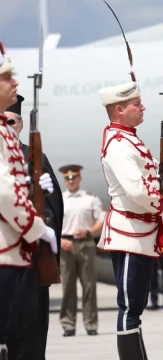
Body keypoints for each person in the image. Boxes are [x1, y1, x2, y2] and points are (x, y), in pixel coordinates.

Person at [98, 80, 163, 359]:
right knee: (129, 307)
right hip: (129, 233)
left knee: (136, 306)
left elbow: (142, 182)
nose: (142, 107)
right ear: (119, 110)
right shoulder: (118, 143)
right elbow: (135, 190)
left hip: (140, 232)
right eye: (136, 104)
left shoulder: (128, 138)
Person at [0, 43, 58, 360]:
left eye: (14, 122)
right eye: (4, 121)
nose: (9, 126)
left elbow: (53, 211)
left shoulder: (35, 157)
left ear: (21, 125)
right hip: (7, 252)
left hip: (31, 260)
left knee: (31, 330)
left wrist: (45, 200)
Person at [57, 164, 105, 337]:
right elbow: (52, 223)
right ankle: (68, 324)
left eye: (74, 177)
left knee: (89, 285)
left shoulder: (90, 198)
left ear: (79, 178)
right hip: (66, 244)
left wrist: (89, 232)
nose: (71, 181)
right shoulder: (59, 199)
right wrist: (60, 240)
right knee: (68, 286)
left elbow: (101, 220)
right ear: (64, 180)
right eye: (68, 178)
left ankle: (91, 324)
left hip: (85, 243)